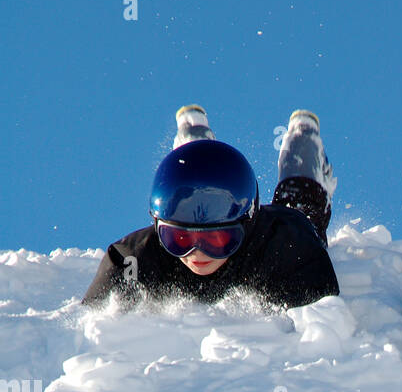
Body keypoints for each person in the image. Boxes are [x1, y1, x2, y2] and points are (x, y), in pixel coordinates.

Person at [82, 106, 339, 309]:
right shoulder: (132, 259)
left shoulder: (288, 248)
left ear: (246, 224)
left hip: (285, 223)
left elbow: (318, 326)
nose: (197, 253)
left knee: (300, 203)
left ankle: (302, 146)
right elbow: (94, 326)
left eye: (217, 240)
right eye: (179, 239)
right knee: (186, 186)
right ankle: (192, 150)